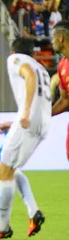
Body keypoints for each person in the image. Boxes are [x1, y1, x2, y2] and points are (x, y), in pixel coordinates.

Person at [0, 38, 49, 240]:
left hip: (28, 121)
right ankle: (34, 212)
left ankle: (2, 227)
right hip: (41, 125)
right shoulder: (42, 68)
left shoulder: (16, 60)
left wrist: (25, 112)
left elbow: (27, 74)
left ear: (13, 52)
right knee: (12, 170)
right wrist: (17, 121)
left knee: (3, 171)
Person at [50, 21, 69, 160]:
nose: (52, 42)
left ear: (61, 38)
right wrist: (44, 115)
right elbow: (65, 100)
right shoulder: (62, 65)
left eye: (53, 37)